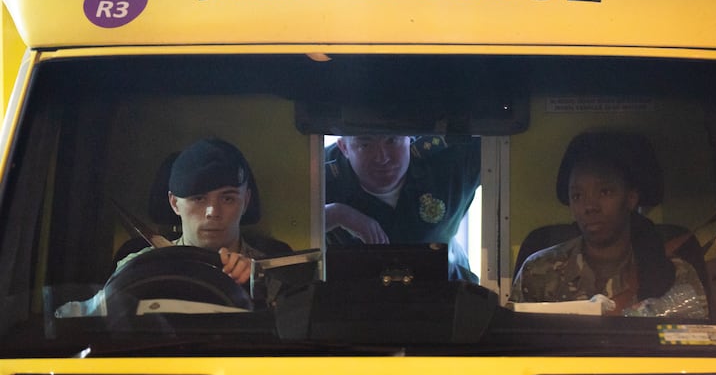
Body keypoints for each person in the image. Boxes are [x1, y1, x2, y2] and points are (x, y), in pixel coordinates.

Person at [56, 138, 287, 317]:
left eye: (227, 199)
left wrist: (259, 286)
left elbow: (298, 338)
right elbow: (72, 318)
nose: (212, 212)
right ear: (175, 203)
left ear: (245, 201)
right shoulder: (140, 265)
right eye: (198, 199)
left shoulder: (275, 269)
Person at [509, 130, 708, 318]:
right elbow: (514, 345)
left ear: (630, 198)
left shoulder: (673, 273)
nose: (589, 206)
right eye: (577, 196)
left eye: (605, 192)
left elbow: (697, 345)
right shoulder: (539, 270)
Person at [325, 134, 480, 282]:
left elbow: (501, 142)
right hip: (354, 300)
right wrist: (334, 214)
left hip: (448, 291)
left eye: (391, 141)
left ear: (409, 136)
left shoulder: (446, 160)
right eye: (365, 145)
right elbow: (299, 223)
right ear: (344, 147)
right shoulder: (318, 173)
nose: (382, 158)